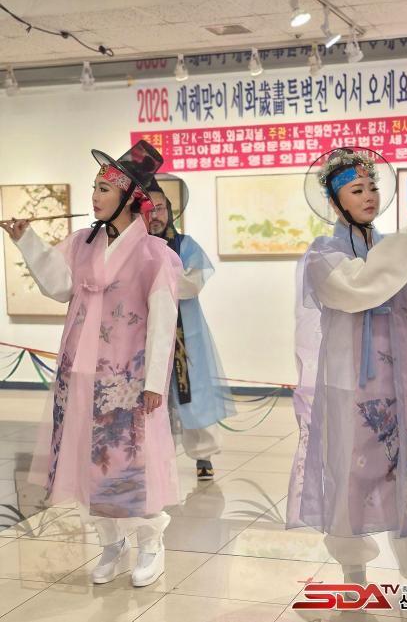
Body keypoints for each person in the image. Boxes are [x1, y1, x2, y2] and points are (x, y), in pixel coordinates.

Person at [0, 141, 182, 587]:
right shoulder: (82, 243)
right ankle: (110, 542)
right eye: (95, 188)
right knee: (87, 461)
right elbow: (59, 286)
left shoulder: (154, 254)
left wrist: (154, 381)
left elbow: (163, 322)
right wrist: (26, 239)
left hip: (126, 380)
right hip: (79, 375)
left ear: (129, 197)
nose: (95, 196)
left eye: (104, 189)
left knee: (127, 462)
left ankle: (150, 542)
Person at [286, 148, 407, 618]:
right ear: (335, 201)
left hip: (399, 380)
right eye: (356, 190)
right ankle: (353, 571)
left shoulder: (396, 250)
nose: (369, 196)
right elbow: (358, 288)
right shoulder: (324, 254)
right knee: (350, 475)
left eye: (373, 187)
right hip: (348, 385)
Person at [147, 177, 234, 481]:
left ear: (169, 211)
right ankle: (156, 458)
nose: (155, 215)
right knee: (153, 395)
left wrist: (161, 271)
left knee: (193, 393)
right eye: (149, 209)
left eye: (160, 208)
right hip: (146, 333)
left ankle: (203, 455)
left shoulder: (186, 245)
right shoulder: (135, 247)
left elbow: (191, 285)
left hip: (185, 333)